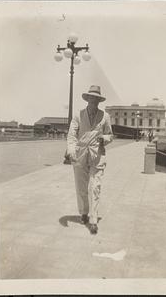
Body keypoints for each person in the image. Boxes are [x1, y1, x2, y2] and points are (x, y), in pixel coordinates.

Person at [67, 85, 113, 234]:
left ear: (99, 101)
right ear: (88, 99)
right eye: (91, 98)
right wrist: (72, 151)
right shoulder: (78, 115)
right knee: (81, 187)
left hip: (97, 155)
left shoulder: (105, 116)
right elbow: (72, 136)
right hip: (80, 155)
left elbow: (110, 135)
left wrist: (103, 138)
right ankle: (84, 213)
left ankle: (93, 220)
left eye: (97, 99)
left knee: (95, 187)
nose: (94, 101)